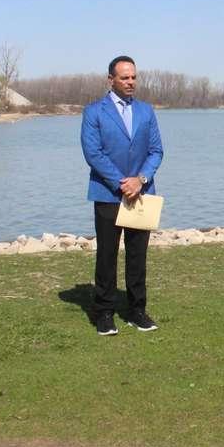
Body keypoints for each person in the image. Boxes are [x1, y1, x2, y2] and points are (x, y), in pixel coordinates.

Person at [80, 55, 164, 336]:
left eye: (134, 77)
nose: (131, 82)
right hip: (107, 194)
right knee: (106, 256)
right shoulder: (94, 112)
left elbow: (156, 151)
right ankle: (103, 312)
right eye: (124, 77)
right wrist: (121, 183)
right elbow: (93, 153)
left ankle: (136, 310)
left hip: (141, 194)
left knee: (138, 256)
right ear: (111, 80)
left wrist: (140, 180)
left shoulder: (146, 111)